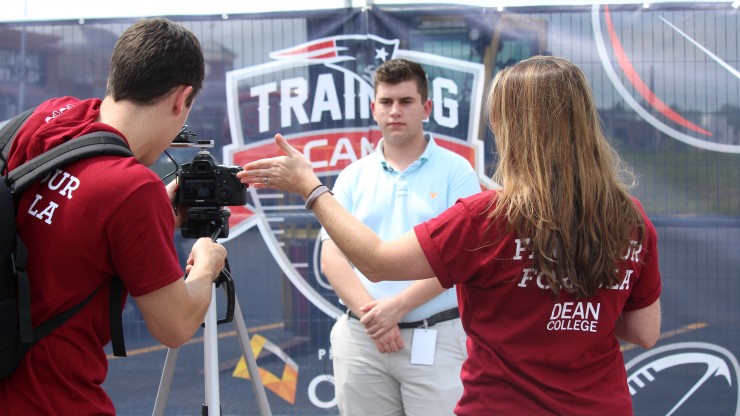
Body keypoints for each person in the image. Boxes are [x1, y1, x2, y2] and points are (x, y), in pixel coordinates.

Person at [238, 55, 662, 415]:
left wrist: (311, 189)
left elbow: (378, 262)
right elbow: (644, 331)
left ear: (510, 126)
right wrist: (578, 312)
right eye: (386, 101)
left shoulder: (490, 217)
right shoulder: (631, 219)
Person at [0, 18, 227, 415]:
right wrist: (206, 267)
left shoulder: (49, 117)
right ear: (181, 99)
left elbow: (68, 219)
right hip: (53, 401)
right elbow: (174, 326)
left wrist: (151, 216)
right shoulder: (133, 190)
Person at [319, 58, 479, 415]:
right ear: (373, 108)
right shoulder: (351, 177)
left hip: (434, 338)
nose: (395, 111)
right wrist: (374, 317)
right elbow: (331, 257)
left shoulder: (458, 172)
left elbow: (463, 258)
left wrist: (398, 307)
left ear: (426, 108)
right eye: (386, 102)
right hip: (362, 339)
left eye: (406, 102)